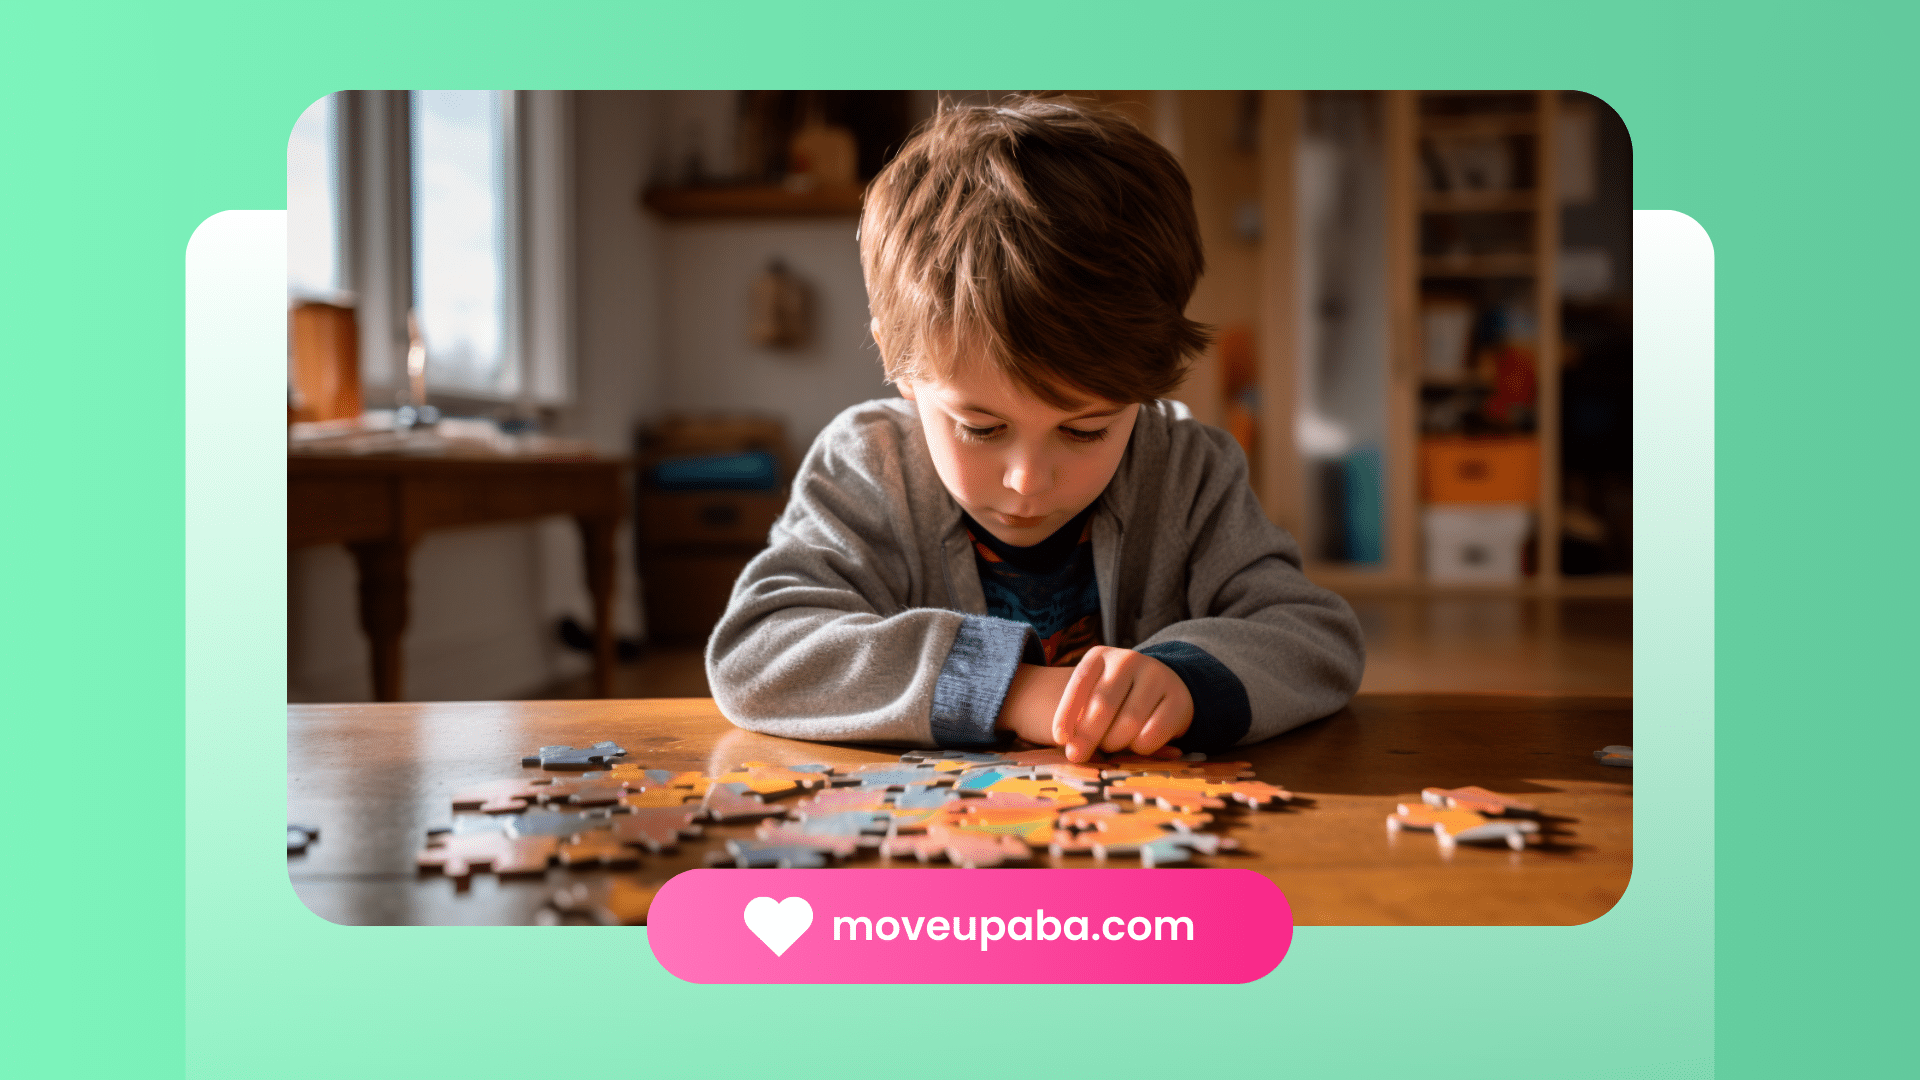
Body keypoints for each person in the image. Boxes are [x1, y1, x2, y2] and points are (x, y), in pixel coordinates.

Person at [707, 95, 1364, 762]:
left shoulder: (1188, 471)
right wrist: (1009, 690)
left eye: (1085, 430)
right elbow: (758, 652)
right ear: (900, 364)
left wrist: (1187, 680)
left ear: (1146, 387)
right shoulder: (868, 468)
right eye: (981, 428)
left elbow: (1313, 635)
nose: (1028, 480)